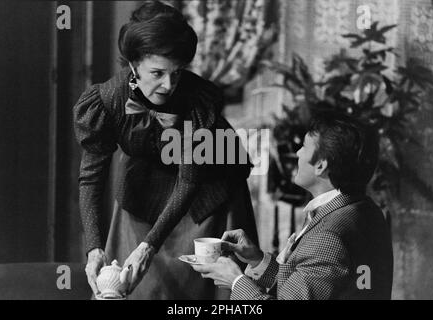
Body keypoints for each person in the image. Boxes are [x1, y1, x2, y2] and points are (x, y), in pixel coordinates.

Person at [73, 1, 258, 300]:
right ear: (133, 64)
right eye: (157, 73)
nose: (168, 84)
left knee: (195, 292)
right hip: (144, 186)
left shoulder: (198, 104)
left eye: (177, 73)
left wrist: (149, 246)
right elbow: (91, 179)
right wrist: (93, 248)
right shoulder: (106, 101)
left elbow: (189, 181)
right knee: (129, 286)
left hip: (209, 189)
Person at [192, 111, 394, 299]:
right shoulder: (364, 209)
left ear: (321, 165)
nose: (298, 153)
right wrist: (257, 260)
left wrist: (236, 281)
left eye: (304, 147)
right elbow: (308, 288)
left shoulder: (327, 237)